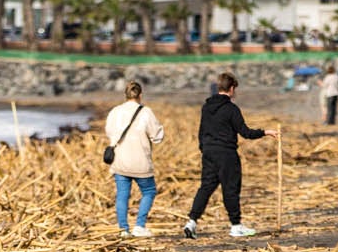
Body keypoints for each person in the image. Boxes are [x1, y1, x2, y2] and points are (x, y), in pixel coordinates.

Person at [182, 71, 273, 239]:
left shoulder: (206, 107)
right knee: (230, 189)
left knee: (206, 187)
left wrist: (204, 148)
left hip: (209, 153)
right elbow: (245, 132)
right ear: (231, 89)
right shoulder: (231, 109)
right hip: (227, 154)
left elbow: (202, 132)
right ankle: (236, 226)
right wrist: (265, 132)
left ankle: (191, 222)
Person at [105, 80, 166, 238]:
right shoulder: (146, 112)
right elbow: (157, 136)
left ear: (125, 95)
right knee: (149, 191)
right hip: (140, 161)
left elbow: (109, 132)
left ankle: (123, 230)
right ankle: (139, 226)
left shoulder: (115, 111)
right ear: (140, 95)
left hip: (120, 160)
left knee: (122, 195)